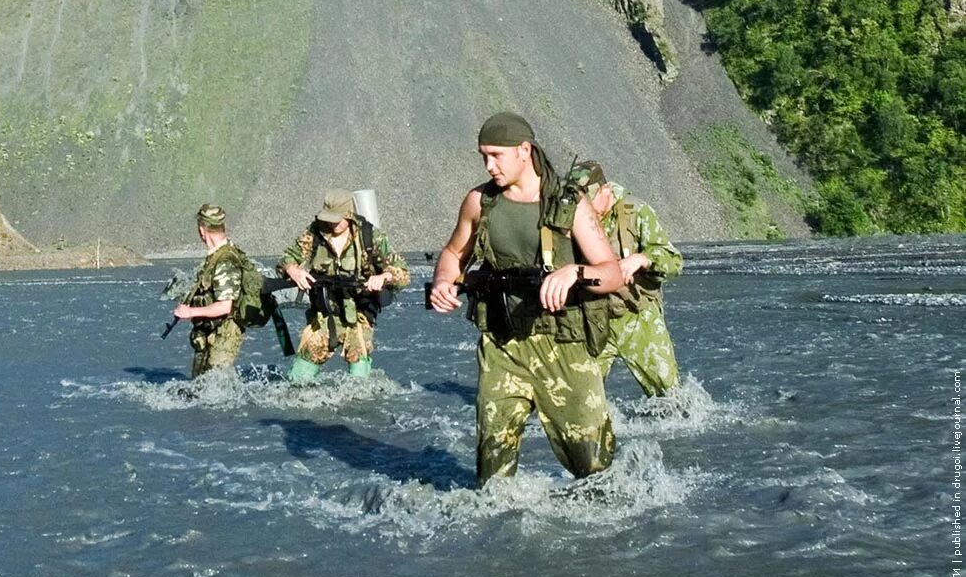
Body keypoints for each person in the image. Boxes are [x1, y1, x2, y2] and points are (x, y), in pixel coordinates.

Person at [427, 112, 625, 488]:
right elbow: (454, 253)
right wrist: (442, 281)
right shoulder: (479, 202)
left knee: (594, 469)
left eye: (496, 155)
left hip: (563, 346)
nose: (489, 165)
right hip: (502, 345)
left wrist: (574, 273)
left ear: (524, 150)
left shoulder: (568, 204)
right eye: (483, 156)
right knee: (492, 473)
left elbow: (611, 274)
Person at [278, 189, 410, 379]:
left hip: (359, 314)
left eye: (337, 219)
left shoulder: (370, 236)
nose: (332, 223)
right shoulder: (315, 232)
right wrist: (292, 269)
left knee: (359, 378)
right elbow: (287, 258)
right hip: (324, 314)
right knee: (300, 374)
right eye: (328, 218)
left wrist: (384, 277)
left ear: (349, 215)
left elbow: (402, 272)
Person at [576, 162, 683, 395]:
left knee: (669, 397)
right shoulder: (575, 220)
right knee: (580, 399)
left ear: (605, 191)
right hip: (593, 318)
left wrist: (642, 259)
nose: (584, 210)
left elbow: (674, 262)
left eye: (588, 202)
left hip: (637, 317)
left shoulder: (637, 211)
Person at [173, 204, 261, 378]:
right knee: (201, 387)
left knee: (215, 386)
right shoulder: (216, 256)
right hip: (210, 331)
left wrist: (189, 312)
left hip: (225, 333)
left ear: (202, 230)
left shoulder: (225, 260)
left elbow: (225, 306)